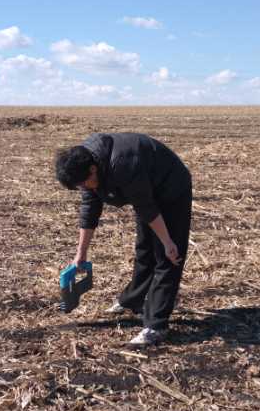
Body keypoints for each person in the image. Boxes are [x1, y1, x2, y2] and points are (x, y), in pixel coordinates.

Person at [55, 132, 192, 345]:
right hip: (146, 187)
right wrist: (81, 253)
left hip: (171, 187)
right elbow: (90, 210)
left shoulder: (123, 164)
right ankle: (132, 300)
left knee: (168, 258)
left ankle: (156, 326)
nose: (84, 188)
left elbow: (146, 208)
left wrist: (168, 242)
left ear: (93, 169)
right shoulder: (85, 164)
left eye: (84, 183)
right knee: (145, 250)